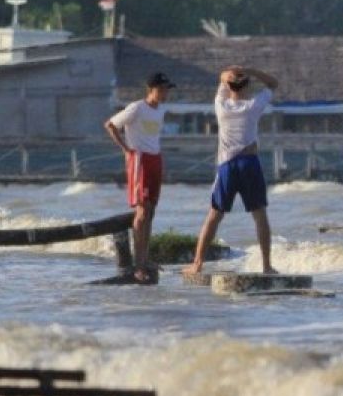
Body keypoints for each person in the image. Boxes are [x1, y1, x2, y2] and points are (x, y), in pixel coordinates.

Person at [185, 65, 280, 276]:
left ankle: (198, 263)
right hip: (249, 163)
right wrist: (251, 70)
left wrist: (231, 72)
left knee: (214, 215)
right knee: (260, 215)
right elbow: (273, 83)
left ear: (228, 86)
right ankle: (266, 265)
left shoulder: (221, 106)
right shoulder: (254, 105)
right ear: (247, 86)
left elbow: (222, 77)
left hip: (227, 165)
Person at [105, 71, 174, 283]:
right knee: (142, 211)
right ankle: (139, 264)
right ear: (151, 89)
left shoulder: (160, 110)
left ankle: (145, 258)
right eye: (161, 89)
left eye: (166, 90)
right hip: (139, 160)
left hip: (155, 159)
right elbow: (111, 125)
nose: (165, 94)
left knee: (151, 210)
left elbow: (154, 136)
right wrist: (126, 149)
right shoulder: (137, 107)